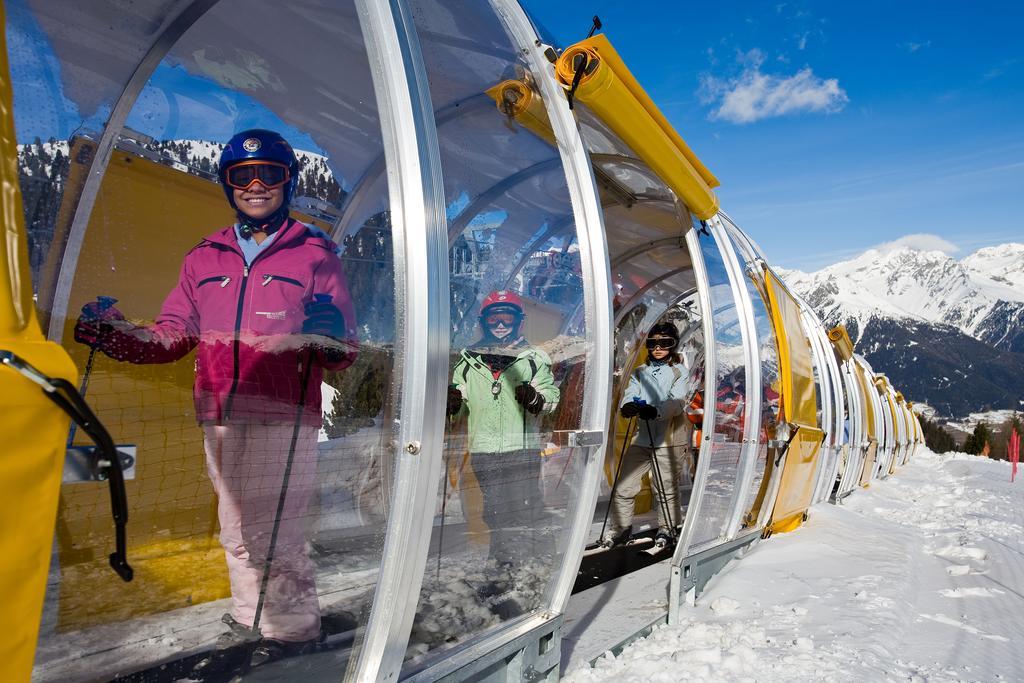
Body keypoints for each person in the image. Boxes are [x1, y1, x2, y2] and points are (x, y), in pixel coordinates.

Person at [73, 129, 357, 667]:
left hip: (283, 412)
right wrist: (113, 336)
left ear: (287, 182)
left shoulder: (315, 253)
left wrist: (330, 334)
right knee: (236, 531)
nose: (255, 185)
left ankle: (295, 633)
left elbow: (343, 352)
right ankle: (253, 619)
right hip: (219, 412)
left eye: (269, 174)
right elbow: (172, 335)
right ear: (228, 185)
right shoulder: (205, 257)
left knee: (277, 530)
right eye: (241, 176)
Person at [446, 290, 559, 574]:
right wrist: (453, 404)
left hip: (521, 447)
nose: (500, 323)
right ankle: (504, 561)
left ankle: (538, 558)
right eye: (493, 317)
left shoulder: (533, 358)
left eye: (506, 316)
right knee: (494, 511)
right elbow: (460, 402)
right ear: (484, 320)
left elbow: (550, 395)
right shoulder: (468, 359)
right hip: (484, 449)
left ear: (518, 320)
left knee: (525, 507)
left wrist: (536, 399)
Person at [602, 321, 697, 551]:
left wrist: (656, 411)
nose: (658, 348)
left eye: (664, 343)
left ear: (672, 346)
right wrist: (628, 406)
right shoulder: (640, 372)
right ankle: (622, 528)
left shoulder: (679, 372)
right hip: (642, 437)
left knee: (664, 487)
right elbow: (630, 392)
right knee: (623, 484)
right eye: (653, 343)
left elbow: (677, 401)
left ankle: (668, 527)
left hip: (669, 440)